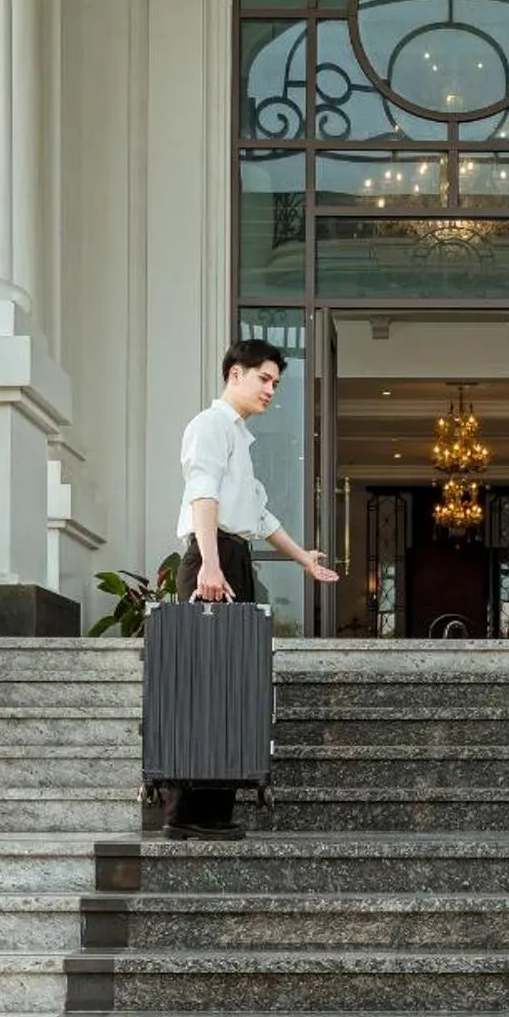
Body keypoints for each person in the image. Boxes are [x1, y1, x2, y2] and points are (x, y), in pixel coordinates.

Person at [165, 338, 339, 840]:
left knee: (230, 688)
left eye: (276, 383)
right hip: (211, 559)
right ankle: (184, 815)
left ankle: (214, 812)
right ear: (234, 375)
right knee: (204, 689)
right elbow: (203, 496)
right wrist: (211, 566)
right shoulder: (210, 426)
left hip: (231, 556)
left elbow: (257, 515)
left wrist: (304, 558)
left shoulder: (240, 438)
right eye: (264, 379)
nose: (270, 390)